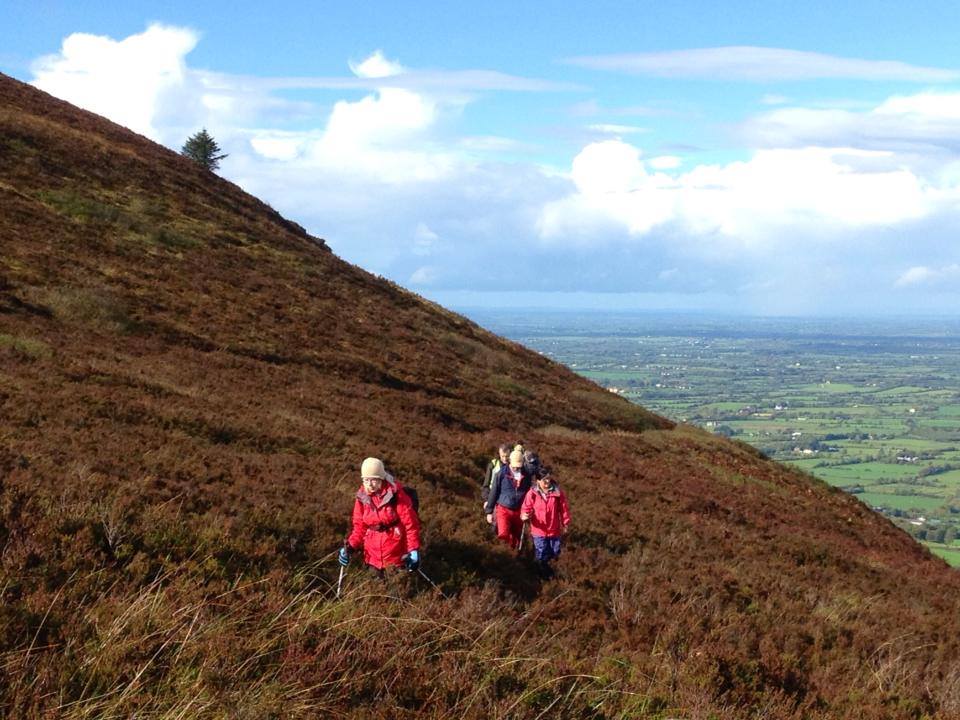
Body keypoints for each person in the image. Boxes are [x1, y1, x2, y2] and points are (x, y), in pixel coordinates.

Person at [338, 457, 421, 576]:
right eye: (366, 480)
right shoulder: (362, 498)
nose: (370, 484)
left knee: (396, 592)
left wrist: (413, 550)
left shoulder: (396, 495)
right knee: (375, 592)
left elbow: (411, 524)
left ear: (382, 478)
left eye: (374, 480)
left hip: (396, 558)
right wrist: (350, 547)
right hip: (372, 558)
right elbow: (359, 527)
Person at [520, 466, 571, 579]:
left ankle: (553, 576)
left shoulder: (557, 493)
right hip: (539, 531)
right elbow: (525, 508)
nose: (547, 481)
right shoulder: (532, 493)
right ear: (538, 480)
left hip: (554, 530)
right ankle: (541, 577)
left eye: (548, 478)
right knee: (541, 554)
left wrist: (565, 523)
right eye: (544, 479)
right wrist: (524, 515)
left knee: (555, 553)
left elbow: (564, 509)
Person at [484, 449, 532, 550]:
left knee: (517, 536)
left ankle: (515, 556)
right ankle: (504, 554)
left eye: (519, 466)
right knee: (503, 534)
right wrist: (489, 511)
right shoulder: (501, 474)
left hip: (519, 511)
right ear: (510, 461)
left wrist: (528, 511)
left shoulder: (527, 476)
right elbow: (494, 492)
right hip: (503, 509)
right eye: (514, 465)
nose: (516, 467)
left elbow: (529, 495)